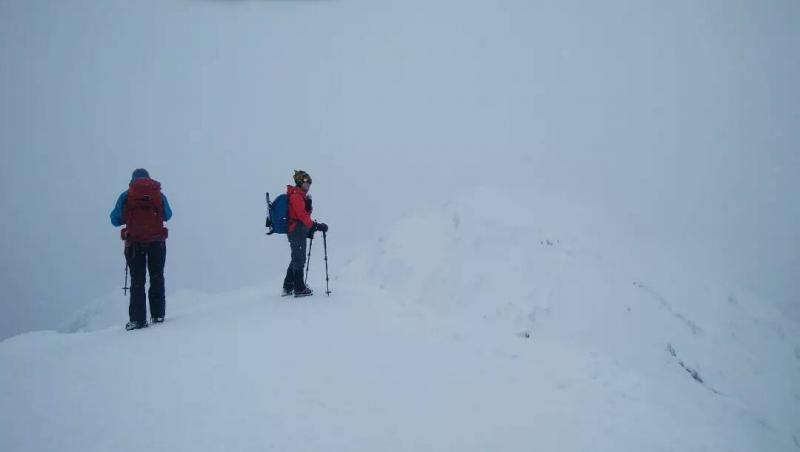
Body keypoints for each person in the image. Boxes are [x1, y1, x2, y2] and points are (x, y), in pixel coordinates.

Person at [110, 169, 173, 330]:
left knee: (137, 280)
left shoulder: (127, 196)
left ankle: (138, 320)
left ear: (132, 180)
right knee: (157, 277)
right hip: (157, 243)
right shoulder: (158, 194)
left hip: (135, 244)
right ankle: (158, 315)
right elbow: (168, 215)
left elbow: (115, 220)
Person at [282, 170, 327, 297]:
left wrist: (309, 207)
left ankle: (288, 286)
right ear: (300, 182)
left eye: (309, 183)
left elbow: (304, 215)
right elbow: (302, 216)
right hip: (296, 230)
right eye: (306, 182)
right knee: (299, 258)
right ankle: (299, 288)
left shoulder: (300, 196)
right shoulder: (296, 196)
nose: (308, 185)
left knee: (296, 257)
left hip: (298, 229)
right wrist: (315, 226)